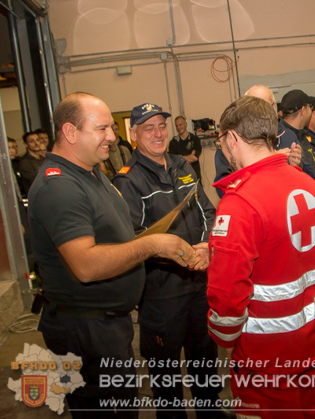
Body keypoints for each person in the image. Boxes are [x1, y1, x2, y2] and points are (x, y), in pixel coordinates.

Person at [27, 92, 200, 418]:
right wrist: (153, 245)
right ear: (70, 132)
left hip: (107, 326)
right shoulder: (59, 186)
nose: (112, 136)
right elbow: (87, 265)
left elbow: (114, 237)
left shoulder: (90, 173)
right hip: (85, 330)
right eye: (103, 128)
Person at [207, 96, 315, 418]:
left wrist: (224, 335)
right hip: (313, 340)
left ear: (232, 138)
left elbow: (228, 292)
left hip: (266, 356)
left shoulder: (240, 201)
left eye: (222, 141)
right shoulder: (309, 184)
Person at [113, 102, 226, 418]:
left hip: (199, 282)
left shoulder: (182, 165)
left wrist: (205, 246)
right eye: (148, 128)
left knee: (204, 356)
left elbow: (208, 210)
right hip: (161, 292)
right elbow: (132, 240)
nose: (158, 133)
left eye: (161, 125)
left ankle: (210, 412)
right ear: (134, 134)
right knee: (165, 370)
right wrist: (179, 256)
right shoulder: (127, 181)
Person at [169, 115, 202, 181]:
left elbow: (194, 158)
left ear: (186, 124)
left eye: (180, 125)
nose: (178, 127)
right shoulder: (173, 143)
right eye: (176, 126)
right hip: (180, 179)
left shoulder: (195, 139)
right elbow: (173, 161)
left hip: (195, 177)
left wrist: (179, 159)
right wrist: (189, 156)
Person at [17, 131, 45, 196]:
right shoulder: (24, 162)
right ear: (25, 144)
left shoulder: (45, 159)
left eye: (37, 140)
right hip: (37, 198)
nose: (36, 143)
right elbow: (36, 181)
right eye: (32, 141)